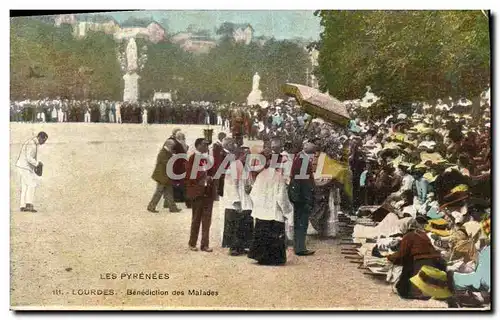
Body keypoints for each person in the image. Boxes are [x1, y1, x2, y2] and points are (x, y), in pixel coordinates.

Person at [185, 138, 217, 252]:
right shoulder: (193, 158)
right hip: (198, 193)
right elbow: (190, 175)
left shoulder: (208, 158)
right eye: (204, 145)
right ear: (198, 145)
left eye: (207, 145)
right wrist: (204, 177)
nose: (206, 147)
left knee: (207, 220)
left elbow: (213, 172)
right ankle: (192, 243)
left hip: (208, 192)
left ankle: (205, 244)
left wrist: (211, 178)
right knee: (196, 218)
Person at [288, 138, 319, 256]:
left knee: (300, 221)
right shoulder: (303, 159)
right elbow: (303, 181)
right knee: (302, 221)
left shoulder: (300, 156)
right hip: (301, 195)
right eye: (312, 144)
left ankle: (299, 246)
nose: (314, 146)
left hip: (298, 194)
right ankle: (300, 248)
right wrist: (308, 197)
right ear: (305, 145)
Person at [15, 131, 48, 212]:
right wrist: (37, 164)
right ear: (40, 137)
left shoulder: (32, 143)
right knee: (32, 184)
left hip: (23, 166)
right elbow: (29, 158)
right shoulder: (32, 144)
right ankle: (29, 205)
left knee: (25, 186)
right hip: (24, 167)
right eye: (44, 140)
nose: (44, 142)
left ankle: (22, 206)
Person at [147, 139, 181, 213]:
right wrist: (173, 158)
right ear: (168, 145)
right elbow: (167, 163)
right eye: (172, 146)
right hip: (162, 177)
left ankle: (172, 208)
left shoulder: (166, 152)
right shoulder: (163, 153)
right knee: (159, 192)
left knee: (169, 192)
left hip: (164, 176)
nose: (173, 147)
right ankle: (151, 206)